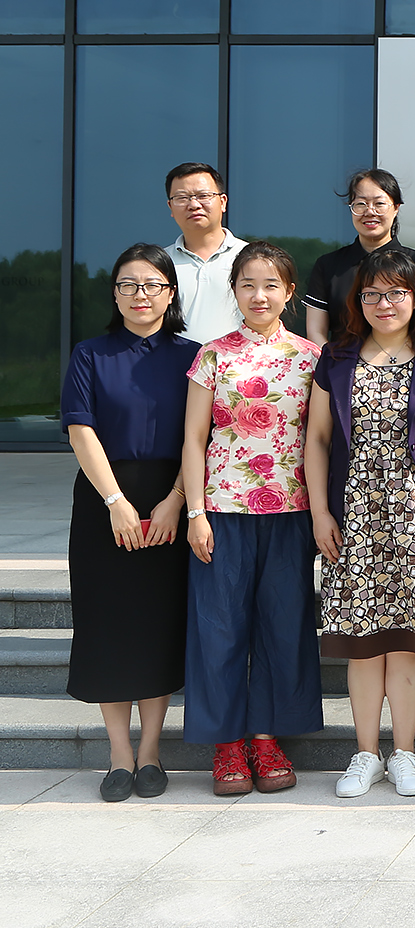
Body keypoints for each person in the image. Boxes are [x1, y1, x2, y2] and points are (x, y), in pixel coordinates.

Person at [306, 251, 415, 799]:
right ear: (358, 300)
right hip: (354, 513)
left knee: (406, 641)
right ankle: (365, 754)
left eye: (397, 293)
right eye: (372, 294)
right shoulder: (336, 356)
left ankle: (404, 754)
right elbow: (318, 440)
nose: (385, 304)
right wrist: (320, 512)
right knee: (361, 641)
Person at [180, 241, 323, 796]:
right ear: (234, 291)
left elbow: (320, 440)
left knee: (282, 626)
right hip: (223, 509)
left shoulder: (311, 359)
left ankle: (265, 738)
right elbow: (194, 440)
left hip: (291, 511)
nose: (259, 296)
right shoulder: (212, 356)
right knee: (219, 628)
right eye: (247, 285)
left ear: (290, 293)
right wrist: (196, 512)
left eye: (271, 286)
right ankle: (226, 744)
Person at [61, 244, 201, 800]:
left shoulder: (194, 356)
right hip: (105, 500)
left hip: (170, 499)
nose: (140, 295)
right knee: (109, 625)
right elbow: (80, 429)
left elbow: (200, 437)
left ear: (171, 293)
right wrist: (115, 501)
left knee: (156, 625)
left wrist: (176, 499)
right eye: (128, 285)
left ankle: (150, 752)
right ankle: (119, 755)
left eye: (152, 285)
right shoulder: (90, 354)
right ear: (115, 294)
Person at [305, 168, 415, 345]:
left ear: (396, 208)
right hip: (340, 360)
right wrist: (332, 361)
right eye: (361, 204)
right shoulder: (328, 265)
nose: (370, 211)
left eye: (379, 203)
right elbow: (315, 331)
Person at [164, 162, 246, 343]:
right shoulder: (158, 264)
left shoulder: (252, 258)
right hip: (175, 361)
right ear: (170, 207)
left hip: (242, 359)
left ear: (223, 202)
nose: (194, 205)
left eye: (203, 196)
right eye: (182, 198)